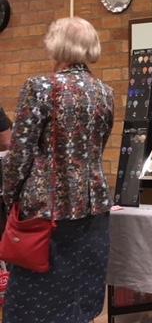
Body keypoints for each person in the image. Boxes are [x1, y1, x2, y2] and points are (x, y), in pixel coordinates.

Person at [2, 17, 114, 323]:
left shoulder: (39, 87)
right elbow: (99, 146)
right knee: (80, 298)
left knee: (34, 303)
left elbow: (20, 153)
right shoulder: (105, 92)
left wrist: (9, 197)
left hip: (46, 211)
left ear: (56, 45)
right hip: (94, 210)